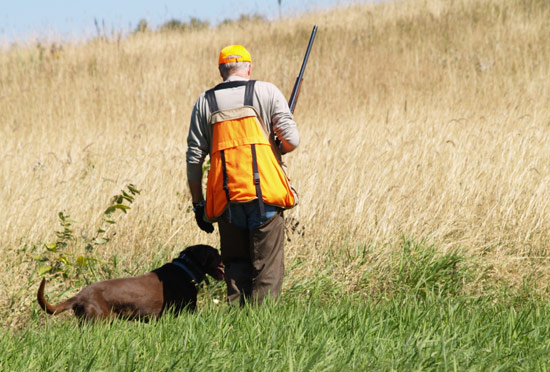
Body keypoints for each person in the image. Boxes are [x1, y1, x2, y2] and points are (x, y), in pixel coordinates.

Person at [186, 45, 299, 305]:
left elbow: (194, 159)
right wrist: (277, 146)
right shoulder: (267, 91)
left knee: (236, 268)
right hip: (266, 194)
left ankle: (236, 327)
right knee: (266, 270)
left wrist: (197, 204)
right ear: (248, 68)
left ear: (221, 70)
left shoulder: (205, 101)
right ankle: (262, 330)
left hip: (226, 199)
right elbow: (292, 139)